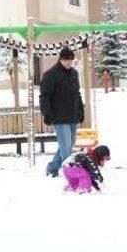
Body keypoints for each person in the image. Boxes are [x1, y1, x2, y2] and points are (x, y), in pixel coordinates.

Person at [39, 47, 85, 177]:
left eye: (71, 59)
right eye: (66, 60)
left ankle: (52, 168)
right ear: (60, 59)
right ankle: (71, 173)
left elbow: (77, 94)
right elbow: (44, 97)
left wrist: (80, 111)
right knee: (65, 146)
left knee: (69, 144)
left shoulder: (74, 74)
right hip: (58, 117)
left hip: (72, 116)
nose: (69, 62)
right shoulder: (50, 75)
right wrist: (47, 114)